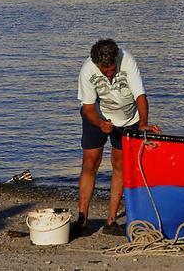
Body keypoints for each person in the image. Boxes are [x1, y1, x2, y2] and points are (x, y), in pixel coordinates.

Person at [75, 39, 160, 236]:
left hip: (129, 118)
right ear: (97, 64)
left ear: (116, 60)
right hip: (97, 116)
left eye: (112, 69)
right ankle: (82, 220)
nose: (109, 74)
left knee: (120, 164)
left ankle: (111, 221)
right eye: (104, 71)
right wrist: (100, 123)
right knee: (90, 163)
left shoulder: (127, 60)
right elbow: (87, 108)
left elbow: (140, 96)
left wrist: (143, 123)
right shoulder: (87, 69)